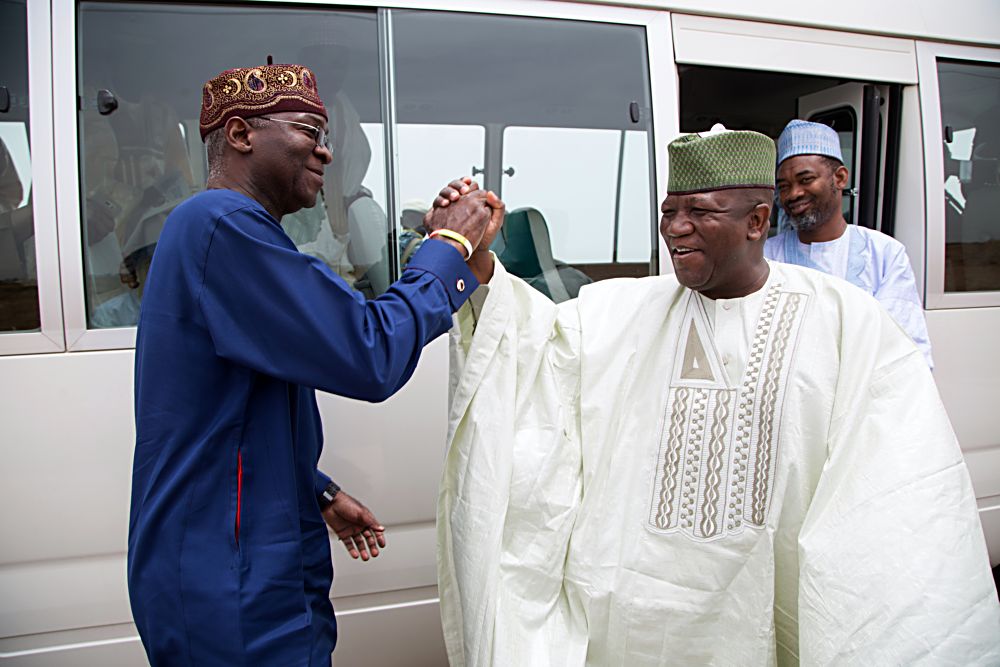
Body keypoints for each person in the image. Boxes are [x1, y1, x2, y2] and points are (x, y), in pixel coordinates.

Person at [434, 126, 1000, 666]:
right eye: (668, 212)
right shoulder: (625, 310)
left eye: (699, 212)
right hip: (633, 620)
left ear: (757, 221)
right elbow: (533, 348)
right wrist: (478, 258)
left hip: (763, 606)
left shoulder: (843, 322)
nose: (676, 228)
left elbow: (891, 491)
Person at [127, 61, 495, 666]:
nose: (326, 153)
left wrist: (314, 489)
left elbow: (232, 416)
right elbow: (367, 351)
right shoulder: (222, 226)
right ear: (242, 134)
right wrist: (448, 247)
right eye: (309, 131)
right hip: (232, 578)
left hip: (235, 560)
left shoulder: (233, 234)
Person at [764, 119, 934, 368]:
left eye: (806, 179)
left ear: (840, 178)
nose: (794, 194)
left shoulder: (883, 253)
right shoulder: (768, 256)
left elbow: (906, 345)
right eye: (784, 186)